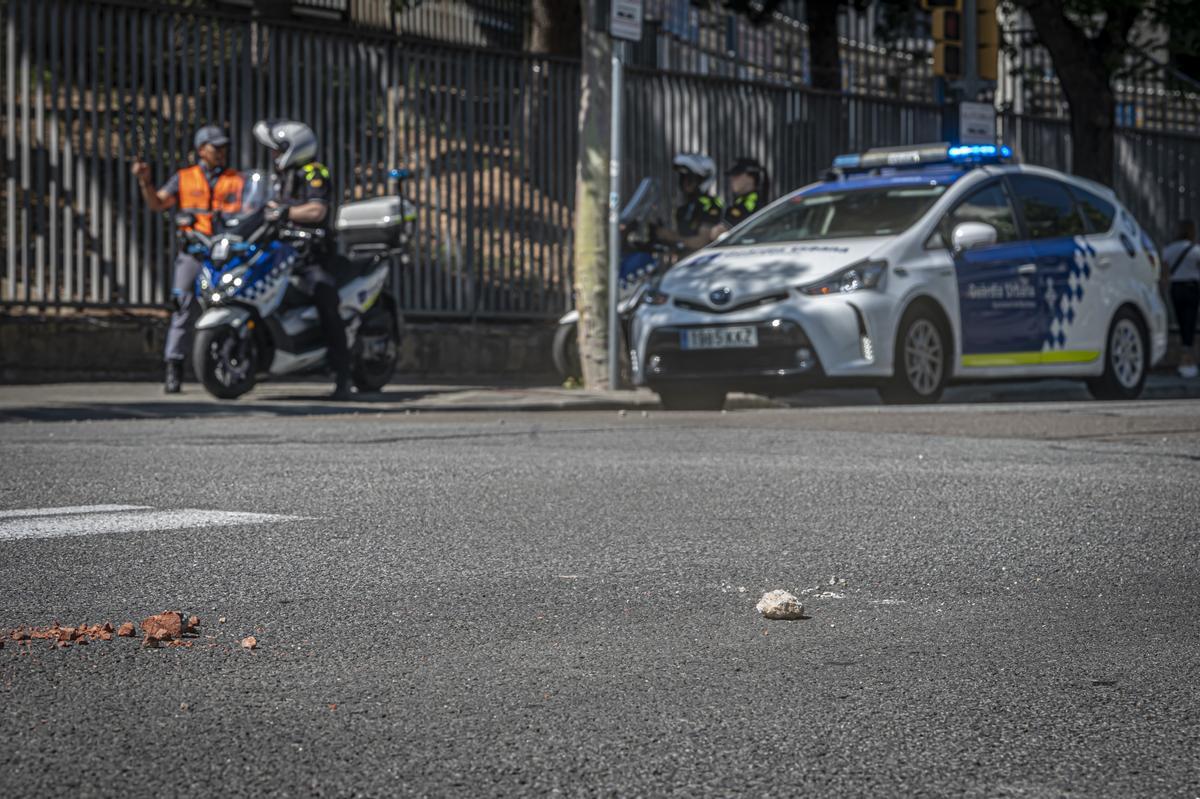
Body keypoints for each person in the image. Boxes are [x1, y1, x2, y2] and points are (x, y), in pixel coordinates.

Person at [132, 126, 244, 393]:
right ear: (201, 149)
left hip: (226, 255)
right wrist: (144, 182)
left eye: (223, 147)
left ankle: (234, 361)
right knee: (183, 308)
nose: (221, 152)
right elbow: (157, 204)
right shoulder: (184, 178)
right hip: (193, 254)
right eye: (215, 147)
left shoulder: (236, 179)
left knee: (235, 306)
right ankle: (174, 367)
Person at [252, 119, 353, 400]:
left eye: (277, 149)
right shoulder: (280, 177)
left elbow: (317, 210)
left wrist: (286, 213)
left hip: (313, 257)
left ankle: (342, 373)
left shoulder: (314, 173)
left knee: (325, 300)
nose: (273, 155)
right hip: (284, 255)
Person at [653, 153, 722, 255]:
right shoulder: (684, 207)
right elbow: (682, 236)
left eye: (690, 179)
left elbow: (701, 242)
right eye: (683, 178)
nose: (685, 183)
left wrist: (668, 235)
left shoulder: (710, 205)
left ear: (702, 179)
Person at [1163, 218, 1200, 378]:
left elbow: (1164, 273)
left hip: (1176, 288)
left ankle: (1184, 359)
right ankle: (1189, 360)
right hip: (1192, 288)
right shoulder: (1196, 250)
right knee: (1190, 324)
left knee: (1180, 322)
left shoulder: (1169, 250)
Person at [716, 157, 768, 235]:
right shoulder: (741, 199)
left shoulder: (752, 201)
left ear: (751, 177)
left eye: (737, 174)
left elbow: (727, 229)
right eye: (732, 175)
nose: (732, 178)